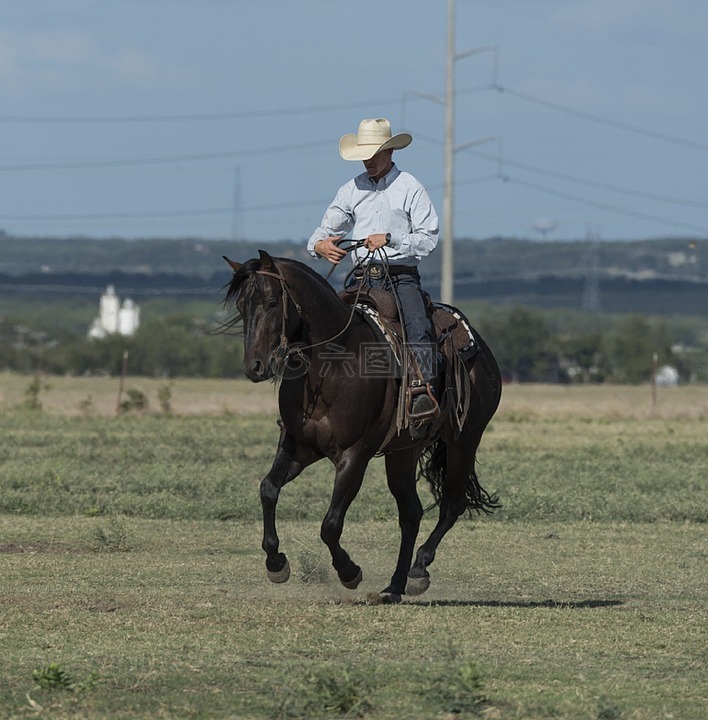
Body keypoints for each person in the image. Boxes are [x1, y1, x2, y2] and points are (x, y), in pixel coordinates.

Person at [307, 118, 440, 436]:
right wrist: (321, 245)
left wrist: (391, 238)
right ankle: (315, 400)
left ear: (390, 151)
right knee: (326, 331)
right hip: (361, 278)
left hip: (401, 278)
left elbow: (428, 238)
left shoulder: (410, 187)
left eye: (373, 153)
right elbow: (323, 232)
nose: (367, 159)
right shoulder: (351, 189)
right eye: (364, 153)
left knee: (418, 330)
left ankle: (423, 399)